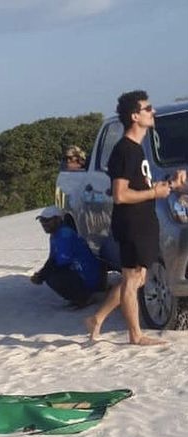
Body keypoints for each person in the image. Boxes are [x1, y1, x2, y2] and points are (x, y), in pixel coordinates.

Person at [85, 91, 187, 344]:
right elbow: (120, 195)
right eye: (147, 108)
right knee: (132, 279)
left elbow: (142, 187)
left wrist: (170, 186)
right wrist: (155, 191)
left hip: (143, 220)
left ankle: (97, 318)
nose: (152, 112)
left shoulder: (137, 150)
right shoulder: (124, 151)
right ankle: (135, 335)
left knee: (138, 277)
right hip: (131, 223)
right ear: (134, 116)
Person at [31, 206, 105, 307]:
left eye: (47, 220)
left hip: (87, 274)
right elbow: (52, 258)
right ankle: (79, 296)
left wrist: (42, 275)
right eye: (42, 221)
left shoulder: (64, 234)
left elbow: (62, 263)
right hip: (79, 271)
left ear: (57, 219)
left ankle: (85, 298)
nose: (44, 224)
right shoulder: (55, 235)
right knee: (50, 274)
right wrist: (41, 274)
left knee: (54, 277)